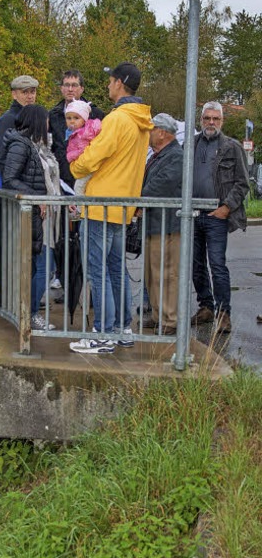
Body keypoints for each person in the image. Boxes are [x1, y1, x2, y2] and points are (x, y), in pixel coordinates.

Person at [69, 62, 152, 354]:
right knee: (116, 269)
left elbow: (93, 156)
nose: (107, 86)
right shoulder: (141, 121)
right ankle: (122, 328)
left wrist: (76, 166)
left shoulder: (118, 119)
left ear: (119, 83)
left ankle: (102, 333)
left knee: (97, 271)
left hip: (100, 204)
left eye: (110, 81)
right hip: (122, 206)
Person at [191, 101, 249, 334]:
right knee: (196, 266)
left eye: (216, 118)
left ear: (222, 121)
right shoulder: (192, 145)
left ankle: (224, 313)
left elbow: (242, 183)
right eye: (207, 118)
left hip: (217, 215)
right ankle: (205, 307)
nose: (211, 122)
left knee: (217, 265)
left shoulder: (231, 147)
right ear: (201, 120)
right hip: (193, 214)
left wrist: (226, 207)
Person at [2, 104, 61, 330]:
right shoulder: (21, 144)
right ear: (37, 121)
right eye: (45, 120)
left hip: (44, 216)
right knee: (40, 266)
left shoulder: (39, 147)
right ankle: (30, 313)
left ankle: (28, 312)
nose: (48, 125)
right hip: (32, 215)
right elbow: (10, 178)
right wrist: (38, 198)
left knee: (40, 266)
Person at [140, 114, 184, 335]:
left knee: (168, 274)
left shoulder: (176, 155)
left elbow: (161, 185)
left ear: (162, 133)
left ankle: (170, 319)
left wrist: (137, 200)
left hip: (168, 226)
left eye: (151, 129)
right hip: (154, 223)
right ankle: (158, 315)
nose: (148, 134)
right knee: (152, 273)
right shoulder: (159, 155)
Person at [49, 70, 105, 188]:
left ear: (82, 88)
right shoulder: (53, 115)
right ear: (61, 88)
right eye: (66, 85)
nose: (70, 89)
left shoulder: (96, 114)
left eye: (74, 85)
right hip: (61, 178)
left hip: (89, 177)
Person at [0, 75, 39, 176]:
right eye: (25, 92)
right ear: (14, 94)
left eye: (32, 92)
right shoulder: (7, 120)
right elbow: (2, 158)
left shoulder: (35, 118)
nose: (30, 96)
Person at [65, 99, 103, 200]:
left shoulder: (84, 133)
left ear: (84, 119)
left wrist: (70, 156)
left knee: (78, 187)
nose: (72, 121)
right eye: (69, 118)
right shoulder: (74, 132)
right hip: (84, 165)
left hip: (88, 165)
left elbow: (82, 149)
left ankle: (80, 209)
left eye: (76, 118)